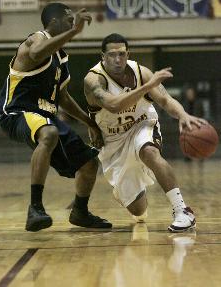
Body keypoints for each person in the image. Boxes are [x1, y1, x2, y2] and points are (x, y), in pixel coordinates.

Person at [0, 3, 112, 232]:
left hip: (45, 115)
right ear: (55, 21)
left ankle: (80, 212)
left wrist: (90, 123)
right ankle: (35, 208)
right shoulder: (36, 39)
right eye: (69, 19)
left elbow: (64, 98)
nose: (73, 22)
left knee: (89, 163)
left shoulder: (61, 58)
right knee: (49, 133)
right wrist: (74, 31)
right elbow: (37, 53)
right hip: (17, 111)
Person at [84, 33, 207, 232]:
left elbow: (165, 100)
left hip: (142, 125)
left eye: (122, 54)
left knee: (149, 151)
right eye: (112, 55)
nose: (118, 59)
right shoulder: (93, 80)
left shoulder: (141, 73)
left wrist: (183, 114)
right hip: (113, 142)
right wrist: (149, 86)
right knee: (139, 211)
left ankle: (182, 210)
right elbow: (113, 106)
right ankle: (130, 193)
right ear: (103, 56)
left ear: (128, 54)